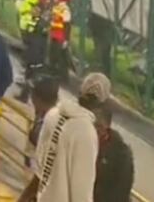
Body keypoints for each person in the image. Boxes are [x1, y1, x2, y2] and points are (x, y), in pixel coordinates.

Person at [22, 72, 111, 202]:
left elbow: (40, 169)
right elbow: (82, 191)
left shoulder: (53, 115)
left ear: (80, 91)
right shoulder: (86, 133)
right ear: (103, 104)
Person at [92, 105, 134, 202]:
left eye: (98, 125)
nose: (94, 129)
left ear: (107, 126)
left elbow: (121, 190)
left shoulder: (121, 155)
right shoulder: (85, 141)